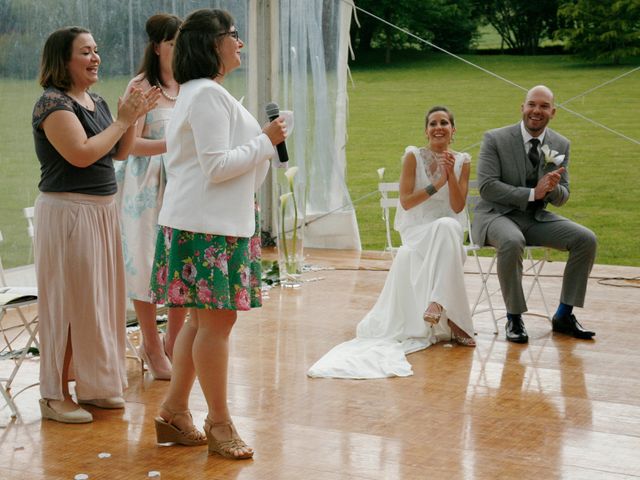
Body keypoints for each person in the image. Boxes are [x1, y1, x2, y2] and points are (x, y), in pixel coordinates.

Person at [148, 9, 286, 459]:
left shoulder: (204, 91)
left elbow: (224, 166)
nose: (240, 43)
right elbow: (217, 165)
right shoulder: (206, 94)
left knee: (199, 321)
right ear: (213, 44)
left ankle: (173, 413)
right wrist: (265, 140)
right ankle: (219, 423)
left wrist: (264, 145)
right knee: (216, 325)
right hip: (206, 228)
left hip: (212, 223)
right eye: (234, 36)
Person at [33, 26, 159, 423]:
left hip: (102, 210)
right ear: (63, 60)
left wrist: (134, 118)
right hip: (69, 212)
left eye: (96, 50)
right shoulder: (52, 104)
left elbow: (119, 153)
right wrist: (122, 120)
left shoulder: (97, 100)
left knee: (99, 302)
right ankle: (54, 394)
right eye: (85, 52)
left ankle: (95, 385)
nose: (95, 58)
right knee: (69, 303)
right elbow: (83, 154)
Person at [308, 106, 475, 380]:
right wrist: (436, 184)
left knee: (448, 226)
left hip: (450, 232)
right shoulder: (413, 156)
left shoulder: (462, 161)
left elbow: (457, 206)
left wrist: (451, 178)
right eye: (433, 123)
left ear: (453, 130)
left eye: (444, 123)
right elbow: (407, 202)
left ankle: (437, 302)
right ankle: (452, 315)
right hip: (418, 231)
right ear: (426, 130)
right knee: (444, 228)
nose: (438, 127)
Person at [472, 85, 597, 344]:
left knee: (586, 239)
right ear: (522, 107)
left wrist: (550, 190)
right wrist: (532, 194)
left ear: (553, 112)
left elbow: (564, 195)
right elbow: (487, 187)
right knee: (511, 240)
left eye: (543, 106)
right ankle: (514, 317)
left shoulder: (560, 144)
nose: (536, 111)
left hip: (534, 219)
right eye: (531, 104)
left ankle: (564, 315)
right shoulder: (495, 138)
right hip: (495, 216)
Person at [115, 13, 187, 380]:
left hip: (183, 187)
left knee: (180, 261)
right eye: (173, 43)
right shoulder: (141, 87)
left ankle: (172, 342)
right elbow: (128, 145)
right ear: (157, 46)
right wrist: (171, 144)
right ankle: (151, 345)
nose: (178, 50)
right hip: (147, 188)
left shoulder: (191, 86)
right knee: (146, 263)